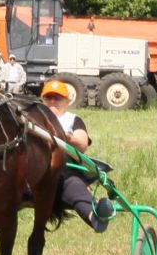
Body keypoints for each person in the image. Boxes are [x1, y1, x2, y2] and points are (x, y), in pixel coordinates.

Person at [40, 79, 115, 233]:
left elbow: (82, 144)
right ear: (42, 100)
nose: (53, 102)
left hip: (64, 172)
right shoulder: (33, 118)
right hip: (35, 172)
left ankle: (96, 218)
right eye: (49, 98)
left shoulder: (73, 120)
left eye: (58, 98)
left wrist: (65, 137)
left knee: (75, 188)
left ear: (67, 101)